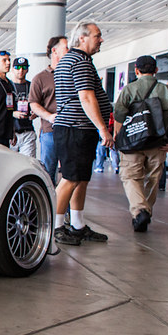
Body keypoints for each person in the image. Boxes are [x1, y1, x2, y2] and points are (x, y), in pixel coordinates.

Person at [51, 20, 113, 246]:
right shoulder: (79, 61)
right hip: (74, 129)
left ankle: (77, 225)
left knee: (81, 179)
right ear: (82, 38)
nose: (101, 40)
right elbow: (86, 97)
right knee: (69, 179)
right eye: (98, 35)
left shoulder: (78, 60)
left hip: (79, 129)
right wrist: (103, 128)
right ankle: (55, 228)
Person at [113, 56, 168, 232]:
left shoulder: (129, 89)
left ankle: (140, 210)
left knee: (131, 177)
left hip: (132, 143)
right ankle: (145, 211)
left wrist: (117, 135)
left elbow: (119, 114)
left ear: (136, 71)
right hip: (157, 143)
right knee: (153, 178)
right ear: (155, 71)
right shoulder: (167, 90)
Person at [29, 35, 69, 185]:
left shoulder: (71, 75)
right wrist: (49, 116)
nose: (70, 51)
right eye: (66, 48)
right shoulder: (40, 78)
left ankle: (67, 209)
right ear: (55, 51)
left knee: (70, 175)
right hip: (50, 132)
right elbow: (33, 103)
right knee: (48, 173)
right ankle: (51, 207)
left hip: (71, 131)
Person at [10, 56, 36, 157]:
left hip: (27, 130)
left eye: (24, 68)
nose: (21, 71)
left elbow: (39, 104)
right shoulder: (7, 86)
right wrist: (13, 113)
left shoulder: (31, 86)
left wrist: (35, 113)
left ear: (27, 69)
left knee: (29, 162)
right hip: (11, 132)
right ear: (12, 69)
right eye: (17, 67)